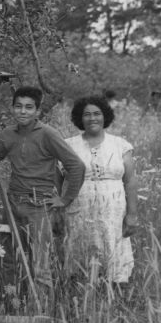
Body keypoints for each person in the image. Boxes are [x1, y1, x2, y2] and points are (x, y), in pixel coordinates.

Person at [0, 86, 85, 309]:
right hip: (13, 203)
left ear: (37, 111)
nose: (23, 112)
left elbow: (76, 166)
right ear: (12, 108)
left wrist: (65, 199)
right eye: (18, 106)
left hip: (39, 205)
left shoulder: (48, 134)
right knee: (9, 259)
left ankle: (40, 319)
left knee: (41, 264)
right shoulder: (8, 133)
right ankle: (13, 309)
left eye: (28, 107)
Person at [63, 96, 137, 284]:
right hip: (79, 212)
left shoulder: (120, 145)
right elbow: (57, 179)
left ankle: (112, 294)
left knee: (113, 252)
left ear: (105, 116)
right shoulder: (68, 145)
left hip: (113, 214)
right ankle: (79, 294)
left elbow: (130, 181)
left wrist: (132, 215)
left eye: (97, 113)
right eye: (87, 114)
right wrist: (57, 209)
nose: (92, 118)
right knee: (79, 253)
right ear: (80, 118)